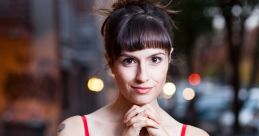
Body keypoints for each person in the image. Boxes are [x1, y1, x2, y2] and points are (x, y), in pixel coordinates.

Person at [58, 0, 209, 136]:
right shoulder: (75, 130)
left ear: (169, 58)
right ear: (111, 62)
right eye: (129, 61)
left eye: (155, 59)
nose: (142, 76)